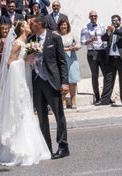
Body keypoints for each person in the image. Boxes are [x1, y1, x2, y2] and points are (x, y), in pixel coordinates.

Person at [0, 20, 51, 166]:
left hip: (26, 76)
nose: (31, 26)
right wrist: (26, 60)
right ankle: (18, 148)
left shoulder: (27, 42)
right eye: (28, 25)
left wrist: (30, 59)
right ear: (22, 28)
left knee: (28, 109)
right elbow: (10, 62)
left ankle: (32, 145)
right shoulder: (17, 43)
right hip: (19, 79)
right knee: (21, 110)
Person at [28, 15, 70, 159]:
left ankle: (63, 146)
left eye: (32, 23)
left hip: (52, 81)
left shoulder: (55, 38)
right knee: (42, 117)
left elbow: (62, 62)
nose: (30, 25)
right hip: (37, 81)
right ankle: (46, 146)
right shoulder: (31, 40)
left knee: (59, 115)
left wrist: (65, 83)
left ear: (40, 24)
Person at [99, 14, 122, 107]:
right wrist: (109, 33)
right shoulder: (111, 31)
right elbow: (103, 38)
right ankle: (105, 100)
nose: (114, 22)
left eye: (116, 20)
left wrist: (115, 30)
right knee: (108, 80)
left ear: (120, 21)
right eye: (112, 20)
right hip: (111, 59)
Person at [80, 10, 107, 104]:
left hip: (102, 52)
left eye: (95, 16)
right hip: (92, 52)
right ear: (89, 17)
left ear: (97, 16)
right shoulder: (85, 27)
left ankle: (106, 96)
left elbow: (105, 37)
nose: (93, 17)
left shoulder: (102, 26)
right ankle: (98, 97)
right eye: (92, 16)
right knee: (95, 76)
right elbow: (82, 42)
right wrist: (90, 40)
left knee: (106, 75)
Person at [57, 16, 81, 109]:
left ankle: (73, 100)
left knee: (72, 80)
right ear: (59, 26)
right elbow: (56, 47)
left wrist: (75, 47)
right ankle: (63, 100)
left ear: (67, 26)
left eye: (65, 24)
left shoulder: (72, 34)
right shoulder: (57, 35)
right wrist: (66, 49)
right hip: (61, 58)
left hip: (72, 58)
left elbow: (79, 44)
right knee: (63, 80)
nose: (63, 26)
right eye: (62, 25)